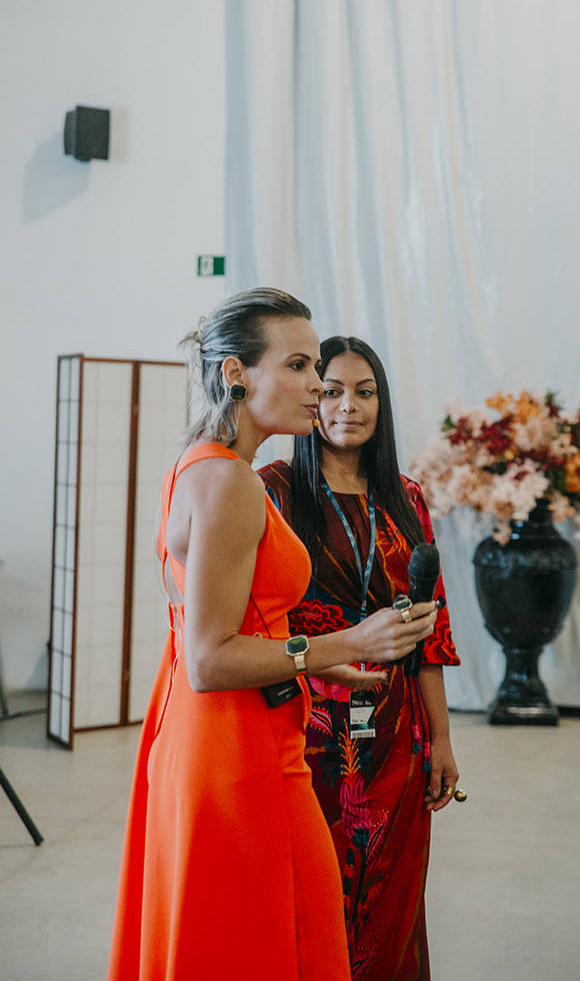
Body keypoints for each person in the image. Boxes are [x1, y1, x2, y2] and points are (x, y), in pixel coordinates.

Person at [107, 292, 437, 981]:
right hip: (237, 748)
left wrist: (316, 665)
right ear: (236, 373)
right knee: (276, 943)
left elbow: (233, 626)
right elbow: (208, 659)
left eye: (315, 365)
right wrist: (348, 644)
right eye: (298, 365)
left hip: (216, 732)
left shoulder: (195, 464)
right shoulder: (232, 481)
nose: (318, 384)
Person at [259, 335, 461, 981]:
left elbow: (430, 631)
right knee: (312, 892)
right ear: (311, 398)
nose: (349, 406)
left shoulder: (406, 496)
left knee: (392, 896)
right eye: (333, 390)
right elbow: (255, 621)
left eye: (365, 392)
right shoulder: (274, 491)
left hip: (397, 730)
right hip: (307, 724)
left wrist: (442, 740)